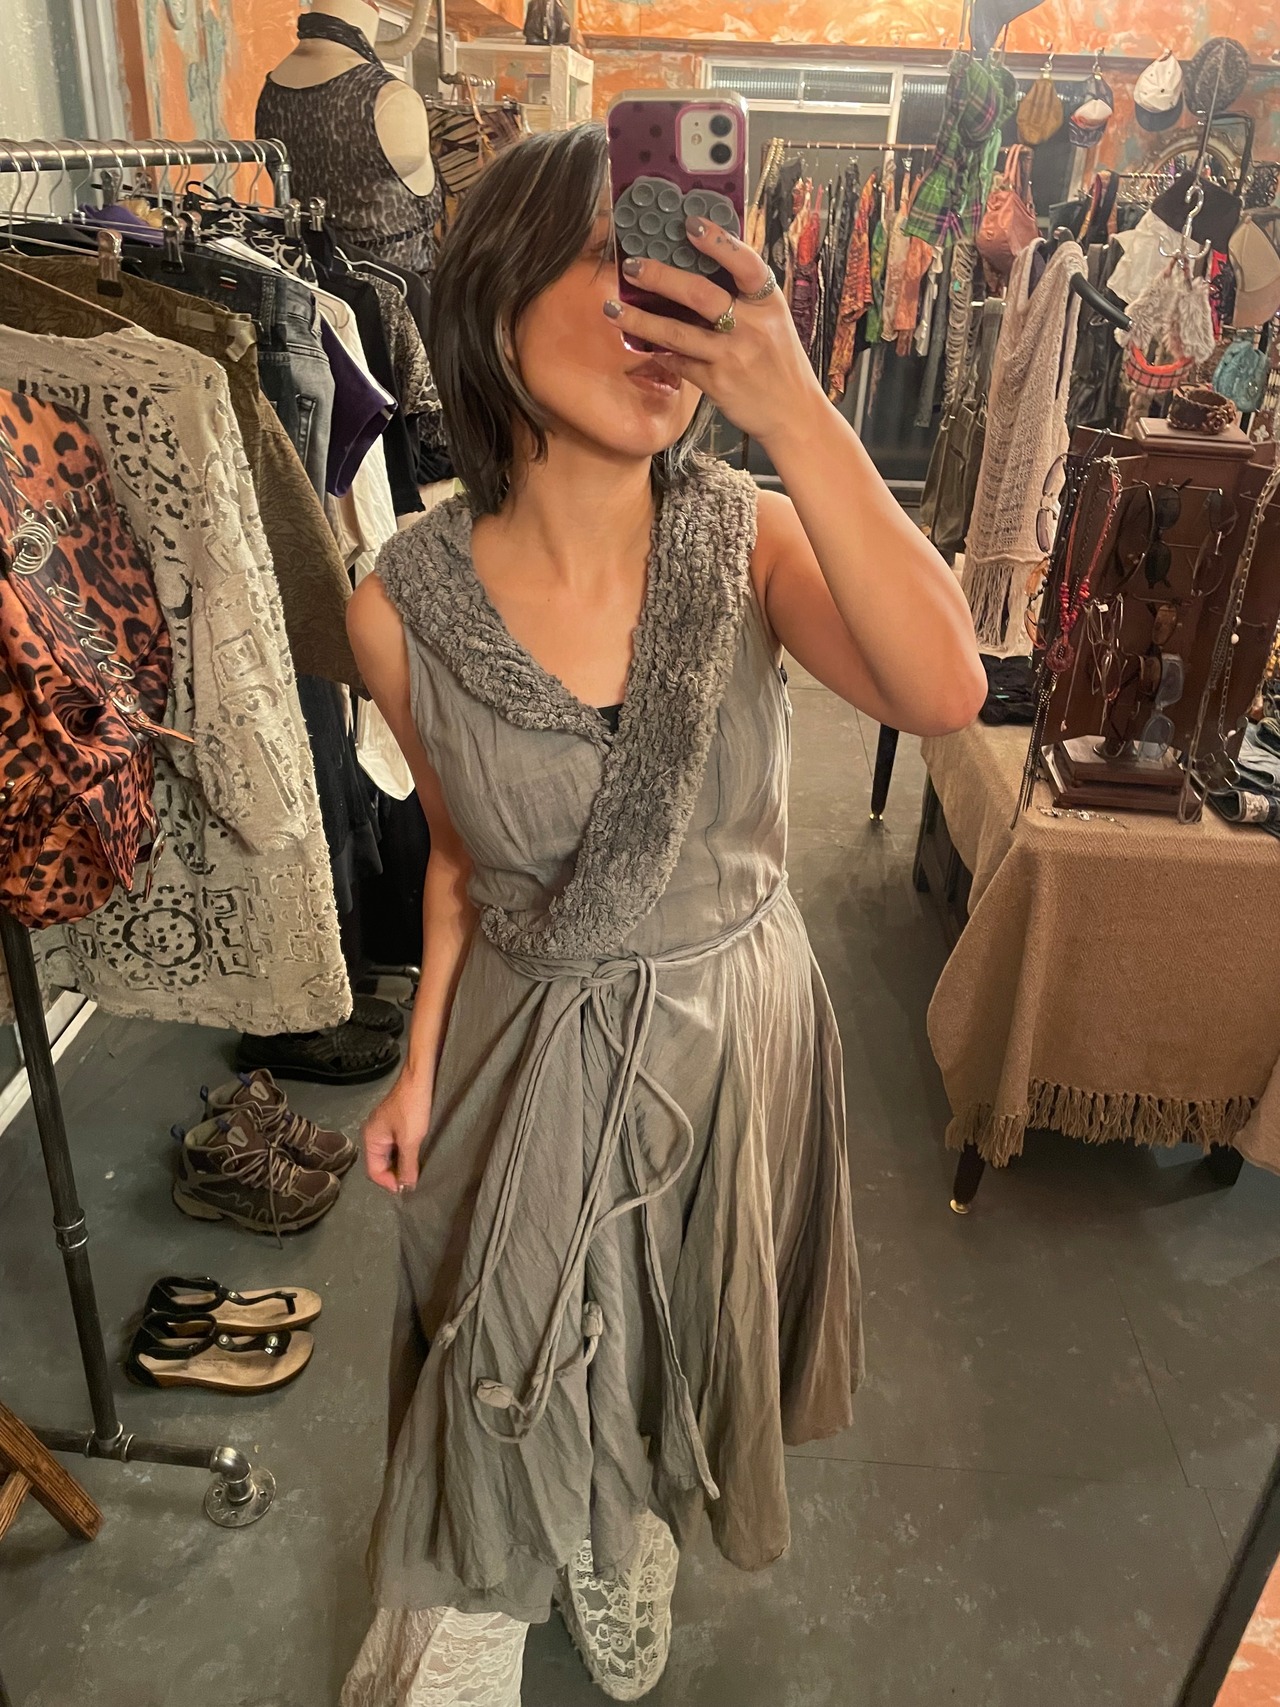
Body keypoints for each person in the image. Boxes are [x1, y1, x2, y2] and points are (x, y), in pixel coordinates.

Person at [340, 123, 985, 1706]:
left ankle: (626, 1535)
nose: (664, 310)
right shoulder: (398, 603)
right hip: (526, 1045)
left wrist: (796, 405)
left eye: (688, 268)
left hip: (730, 1033)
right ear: (495, 302)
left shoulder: (750, 538)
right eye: (616, 264)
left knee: (674, 1334)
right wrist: (417, 1064)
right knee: (504, 1341)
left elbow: (944, 687)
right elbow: (456, 853)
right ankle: (493, 1582)